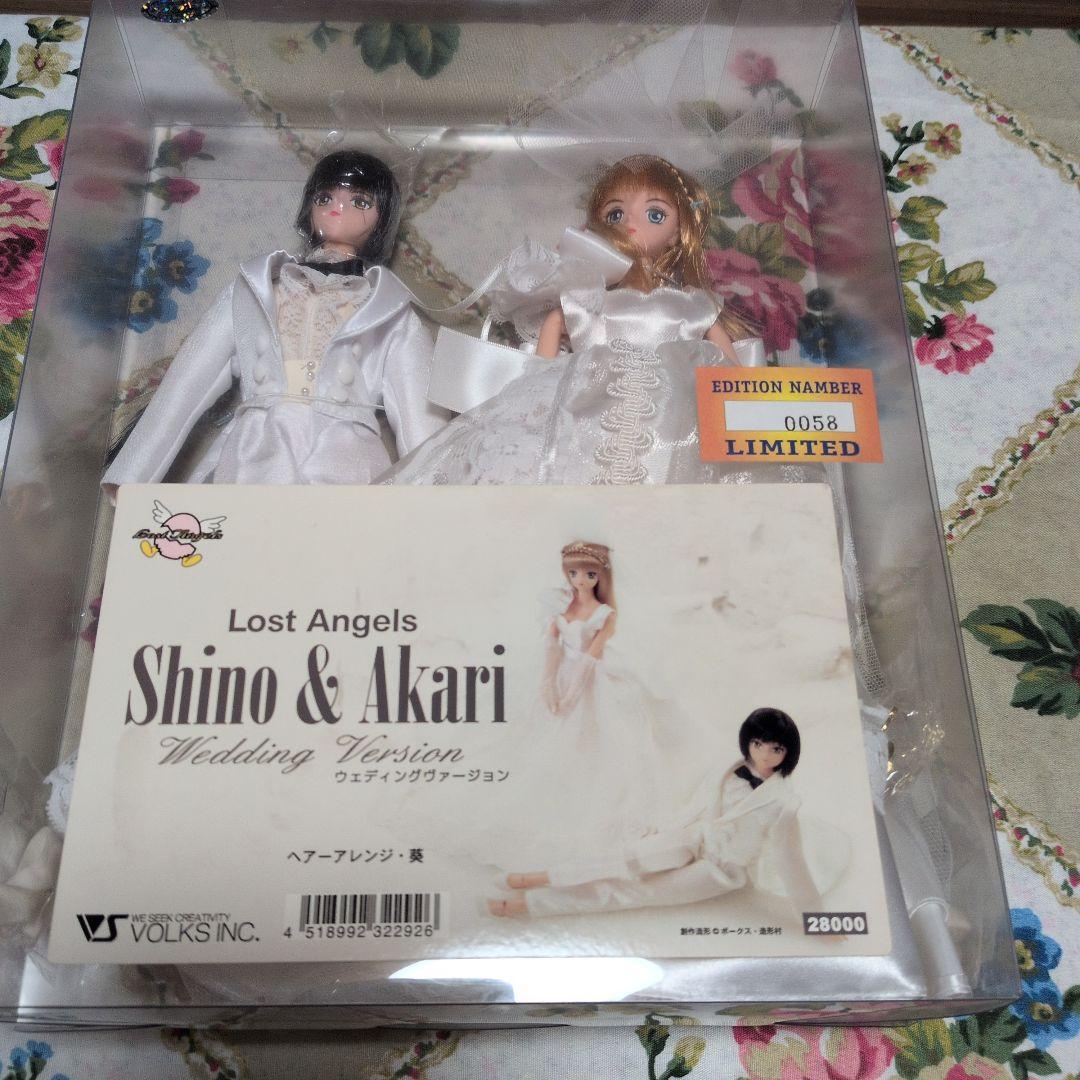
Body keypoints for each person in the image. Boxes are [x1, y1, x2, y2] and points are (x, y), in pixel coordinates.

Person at [382, 154, 759, 488]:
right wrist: (532, 399)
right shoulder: (586, 300)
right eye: (616, 214)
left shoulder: (693, 304)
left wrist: (746, 408)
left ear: (676, 233)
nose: (631, 223)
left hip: (675, 419)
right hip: (593, 409)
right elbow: (544, 361)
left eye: (655, 214)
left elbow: (733, 373)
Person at [103, 150, 448, 489]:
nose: (338, 207)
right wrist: (132, 475)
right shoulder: (254, 289)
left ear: (382, 220)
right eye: (325, 197)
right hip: (257, 448)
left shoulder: (389, 308)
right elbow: (188, 382)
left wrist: (440, 500)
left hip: (345, 458)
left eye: (359, 201)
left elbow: (419, 415)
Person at [488, 708, 832, 919]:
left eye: (775, 748)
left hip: (722, 869)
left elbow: (791, 861)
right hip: (694, 837)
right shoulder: (728, 768)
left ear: (788, 753)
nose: (765, 754)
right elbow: (697, 806)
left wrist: (815, 917)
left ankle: (534, 904)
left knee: (637, 891)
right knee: (626, 859)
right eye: (758, 744)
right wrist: (665, 830)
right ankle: (543, 876)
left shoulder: (783, 803)